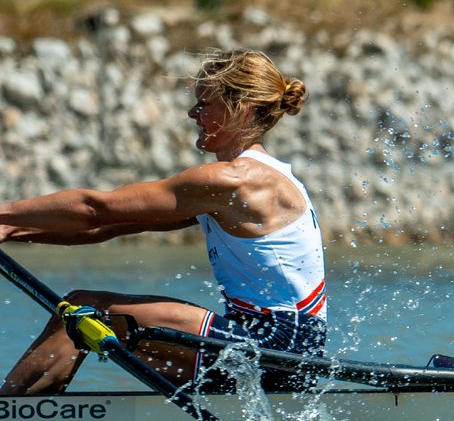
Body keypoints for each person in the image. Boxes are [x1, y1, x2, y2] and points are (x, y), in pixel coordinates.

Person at [0, 49, 326, 396]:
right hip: (284, 351)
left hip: (275, 350)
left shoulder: (239, 180)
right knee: (82, 310)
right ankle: (29, 412)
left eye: (204, 103)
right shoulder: (247, 183)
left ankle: (15, 414)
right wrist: (13, 230)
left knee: (85, 309)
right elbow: (104, 228)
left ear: (240, 109)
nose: (192, 113)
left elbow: (97, 209)